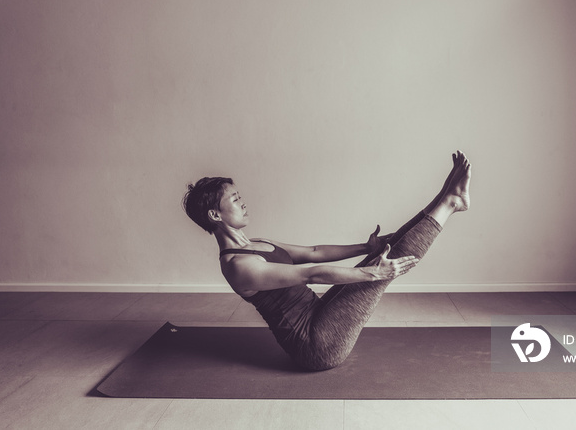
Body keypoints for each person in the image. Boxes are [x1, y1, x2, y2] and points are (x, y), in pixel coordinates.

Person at [183, 151, 471, 371]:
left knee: (385, 246)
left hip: (320, 313)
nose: (243, 202)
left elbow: (314, 252)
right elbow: (311, 273)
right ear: (215, 215)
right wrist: (374, 273)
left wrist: (366, 247)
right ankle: (451, 203)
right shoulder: (238, 265)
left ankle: (446, 195)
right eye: (234, 199)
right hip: (316, 345)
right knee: (385, 264)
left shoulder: (256, 243)